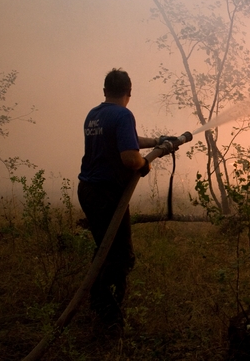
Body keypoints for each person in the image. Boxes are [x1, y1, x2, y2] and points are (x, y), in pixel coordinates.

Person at [77, 68, 158, 332]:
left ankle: (97, 302)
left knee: (105, 249)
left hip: (89, 190)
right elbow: (129, 157)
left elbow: (128, 142)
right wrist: (143, 163)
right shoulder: (123, 115)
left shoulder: (95, 114)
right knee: (121, 257)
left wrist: (159, 142)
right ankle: (108, 317)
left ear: (104, 92)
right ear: (129, 93)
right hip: (106, 194)